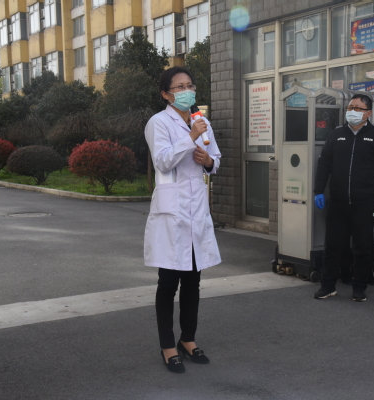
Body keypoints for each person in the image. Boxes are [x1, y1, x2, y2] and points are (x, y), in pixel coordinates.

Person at [144, 67, 222, 373]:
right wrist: (191, 137)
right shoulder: (158, 123)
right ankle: (167, 345)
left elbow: (215, 158)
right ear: (166, 94)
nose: (187, 90)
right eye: (179, 87)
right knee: (168, 283)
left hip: (196, 210)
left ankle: (188, 339)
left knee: (193, 281)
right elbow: (163, 160)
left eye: (190, 85)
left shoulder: (202, 121)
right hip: (172, 213)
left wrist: (209, 161)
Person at [313, 93, 374, 302]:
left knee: (363, 246)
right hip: (338, 201)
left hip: (364, 202)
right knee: (333, 245)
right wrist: (318, 190)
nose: (352, 111)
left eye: (357, 108)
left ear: (368, 113)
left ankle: (359, 287)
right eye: (350, 107)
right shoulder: (336, 134)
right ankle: (328, 285)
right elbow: (324, 165)